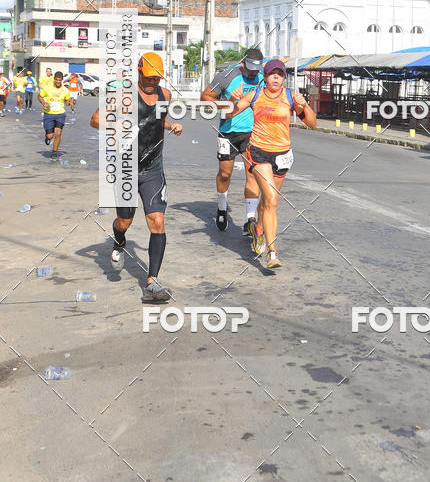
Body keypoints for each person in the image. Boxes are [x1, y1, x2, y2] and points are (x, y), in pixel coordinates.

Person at [90, 52, 182, 303]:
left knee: (157, 221)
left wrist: (171, 125)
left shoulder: (165, 95)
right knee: (124, 221)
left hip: (153, 168)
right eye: (150, 77)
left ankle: (152, 282)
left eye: (157, 78)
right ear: (139, 72)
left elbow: (156, 120)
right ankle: (119, 241)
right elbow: (95, 119)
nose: (154, 82)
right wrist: (113, 125)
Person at [224, 58, 316, 270]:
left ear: (284, 78)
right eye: (272, 74)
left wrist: (305, 106)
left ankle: (258, 228)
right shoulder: (255, 95)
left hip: (282, 155)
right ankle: (272, 252)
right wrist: (231, 98)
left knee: (267, 201)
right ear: (264, 77)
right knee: (273, 199)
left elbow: (312, 124)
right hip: (258, 152)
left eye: (280, 74)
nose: (276, 77)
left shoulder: (290, 97)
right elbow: (229, 114)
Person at [200, 48, 264, 233]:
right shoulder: (226, 76)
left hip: (253, 132)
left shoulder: (262, 77)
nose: (253, 72)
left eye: (256, 69)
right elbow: (205, 99)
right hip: (228, 132)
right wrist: (227, 103)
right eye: (250, 68)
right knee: (225, 174)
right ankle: (221, 207)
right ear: (243, 63)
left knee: (252, 174)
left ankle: (249, 220)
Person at [38, 71, 71, 159]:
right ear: (54, 79)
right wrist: (44, 103)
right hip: (49, 114)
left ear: (62, 80)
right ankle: (48, 137)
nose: (58, 82)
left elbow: (67, 102)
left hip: (60, 114)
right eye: (56, 80)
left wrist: (70, 102)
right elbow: (39, 96)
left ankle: (54, 151)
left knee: (58, 133)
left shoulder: (65, 90)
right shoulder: (48, 88)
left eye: (59, 80)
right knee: (50, 135)